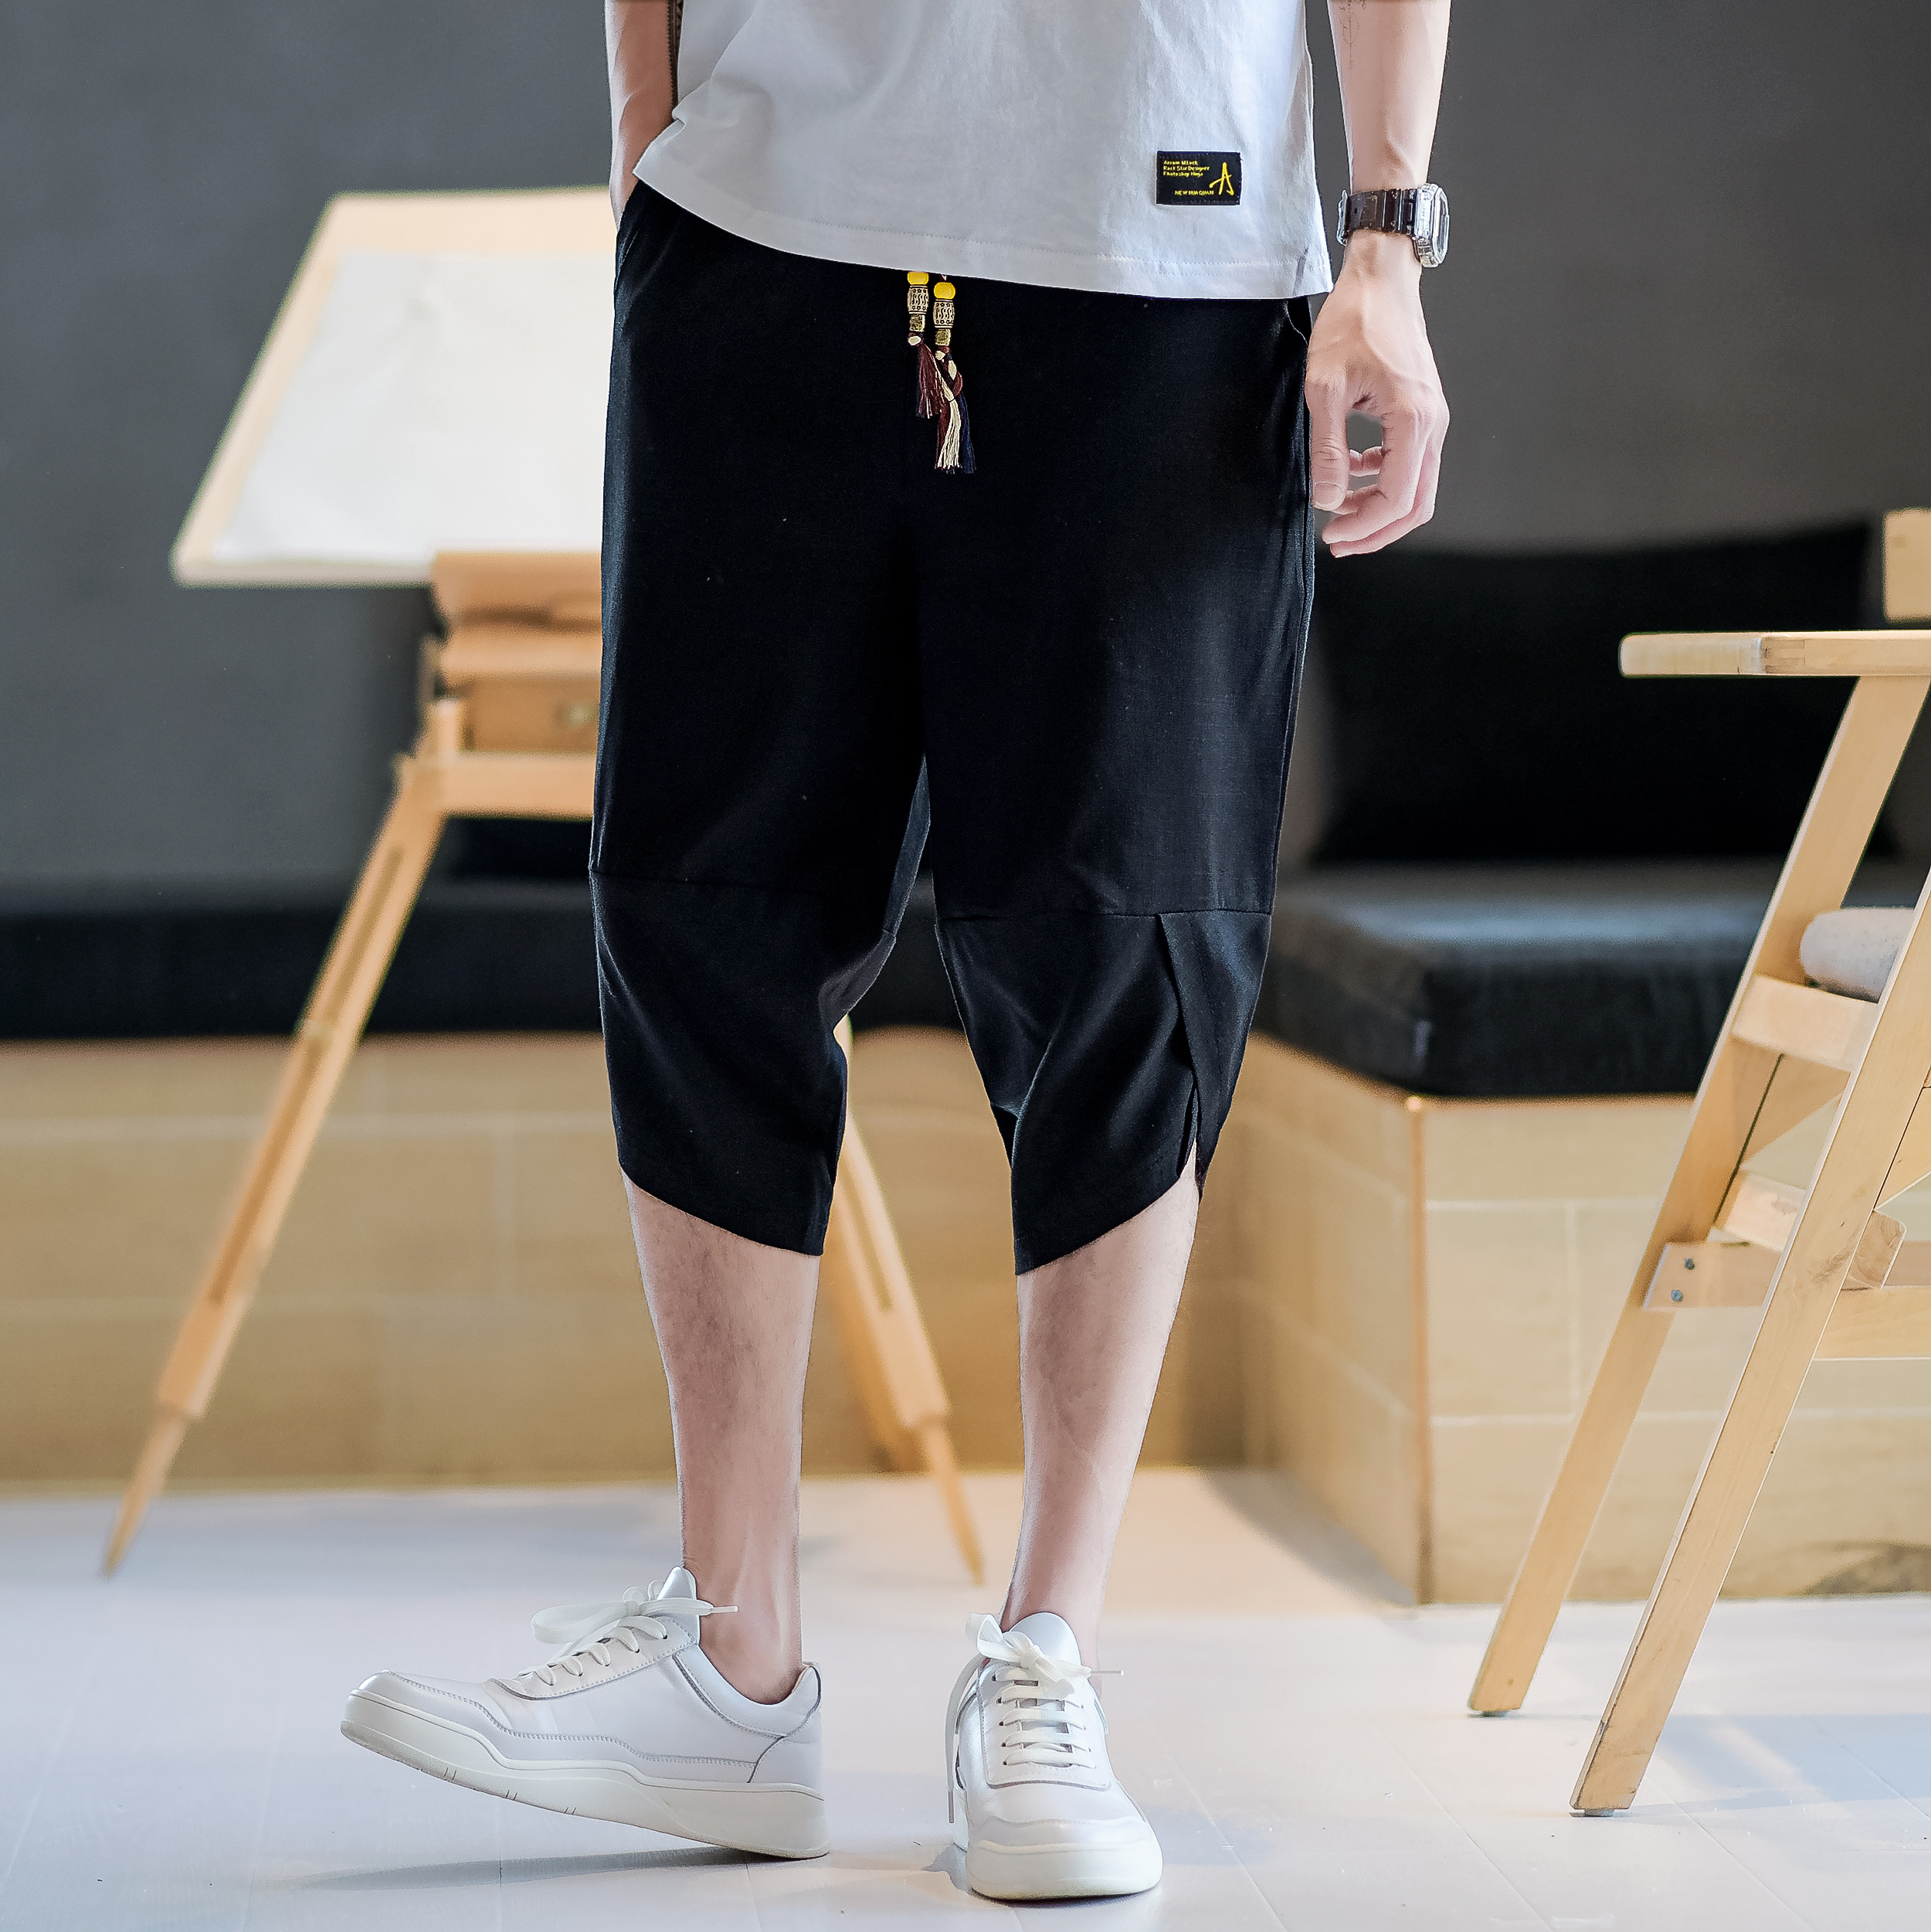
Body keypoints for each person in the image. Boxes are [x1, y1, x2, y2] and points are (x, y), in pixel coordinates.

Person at [344, 0, 1451, 1901]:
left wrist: (1383, 238)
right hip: (760, 219)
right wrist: (645, 125)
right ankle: (730, 1655)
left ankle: (1046, 1657)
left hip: (1166, 245)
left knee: (1127, 941)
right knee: (704, 907)